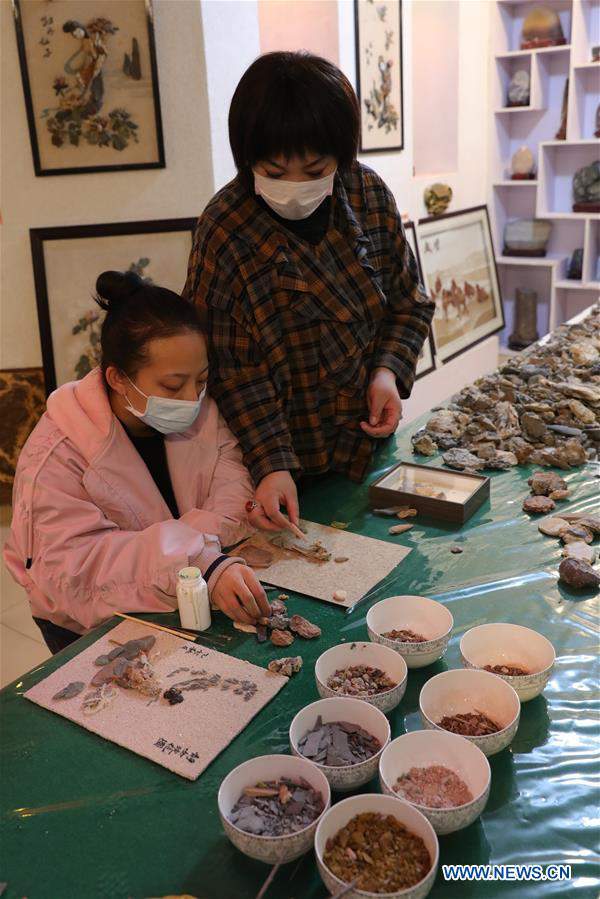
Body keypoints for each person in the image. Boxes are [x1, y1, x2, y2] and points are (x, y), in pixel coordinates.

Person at [184, 51, 435, 536]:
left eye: (315, 167)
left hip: (362, 439)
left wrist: (386, 373)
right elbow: (233, 371)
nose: (295, 186)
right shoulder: (225, 228)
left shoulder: (366, 194)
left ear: (340, 155)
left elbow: (408, 302)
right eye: (275, 173)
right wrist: (273, 464)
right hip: (271, 454)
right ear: (247, 158)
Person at [3, 271, 270, 654]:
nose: (192, 399)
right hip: (85, 623)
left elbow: (234, 490)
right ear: (117, 378)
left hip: (190, 592)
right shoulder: (55, 454)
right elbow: (76, 570)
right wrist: (196, 559)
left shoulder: (204, 412)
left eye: (202, 379)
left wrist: (192, 554)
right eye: (172, 386)